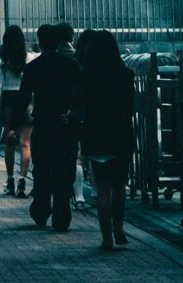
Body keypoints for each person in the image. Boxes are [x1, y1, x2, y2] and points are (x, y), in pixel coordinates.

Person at [76, 29, 138, 250]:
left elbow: (79, 105)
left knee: (102, 188)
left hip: (96, 134)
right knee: (119, 185)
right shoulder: (126, 74)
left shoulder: (85, 74)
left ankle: (106, 238)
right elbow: (130, 108)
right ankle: (119, 230)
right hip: (121, 133)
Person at [20, 22, 84, 231]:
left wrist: (16, 123)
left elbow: (23, 99)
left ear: (39, 42)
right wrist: (72, 112)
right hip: (65, 127)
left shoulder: (32, 68)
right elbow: (81, 95)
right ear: (59, 42)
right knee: (65, 171)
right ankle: (61, 214)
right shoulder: (72, 66)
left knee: (42, 170)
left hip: (43, 125)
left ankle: (41, 208)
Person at [0, 24, 32, 197]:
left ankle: (10, 180)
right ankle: (23, 181)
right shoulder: (29, 58)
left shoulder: (2, 61)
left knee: (9, 142)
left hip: (8, 103)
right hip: (26, 102)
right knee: (25, 143)